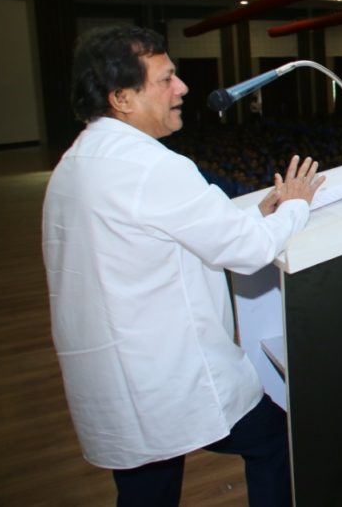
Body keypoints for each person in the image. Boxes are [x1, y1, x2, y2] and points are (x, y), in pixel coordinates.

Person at [43, 26, 325, 506]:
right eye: (166, 79)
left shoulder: (77, 161)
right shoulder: (152, 166)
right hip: (167, 374)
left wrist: (253, 212)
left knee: (146, 490)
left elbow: (161, 231)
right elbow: (246, 251)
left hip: (117, 380)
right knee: (273, 441)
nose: (183, 89)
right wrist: (296, 204)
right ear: (122, 98)